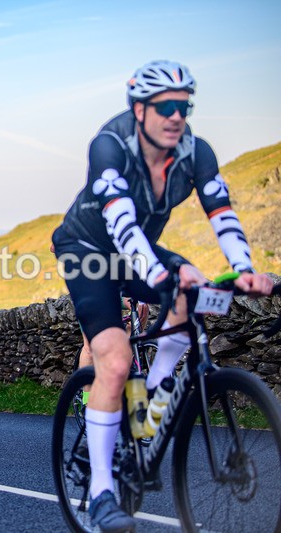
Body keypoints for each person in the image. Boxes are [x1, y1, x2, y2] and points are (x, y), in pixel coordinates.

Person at [51, 60, 273, 532]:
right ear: (140, 109)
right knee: (112, 359)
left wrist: (247, 270)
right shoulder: (110, 144)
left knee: (191, 289)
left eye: (185, 106)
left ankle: (150, 403)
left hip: (140, 248)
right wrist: (159, 272)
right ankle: (102, 491)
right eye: (166, 106)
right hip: (89, 249)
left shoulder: (196, 151)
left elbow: (221, 211)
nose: (177, 116)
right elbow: (121, 223)